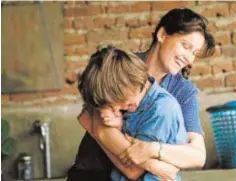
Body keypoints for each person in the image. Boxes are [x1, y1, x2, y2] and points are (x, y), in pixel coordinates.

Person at [67, 8, 216, 181]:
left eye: (194, 53)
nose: (189, 59)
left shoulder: (183, 92)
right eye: (185, 46)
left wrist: (154, 150)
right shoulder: (121, 67)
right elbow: (98, 124)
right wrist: (155, 165)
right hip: (93, 172)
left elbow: (197, 156)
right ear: (162, 35)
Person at [75, 45, 188, 181]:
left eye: (114, 103)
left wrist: (97, 131)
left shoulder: (161, 110)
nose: (115, 110)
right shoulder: (131, 100)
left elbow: (133, 169)